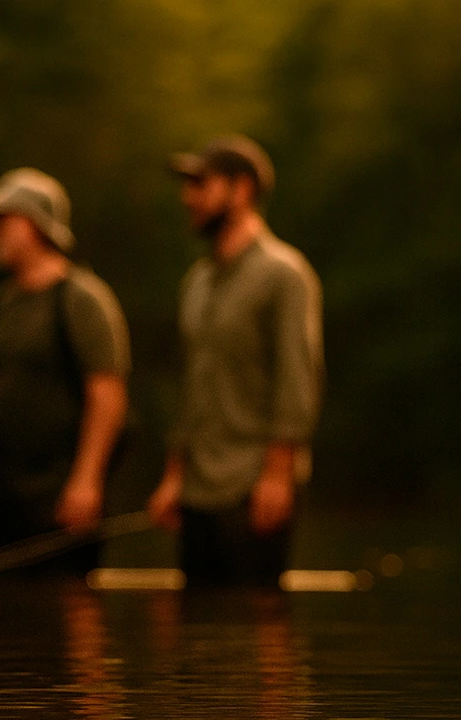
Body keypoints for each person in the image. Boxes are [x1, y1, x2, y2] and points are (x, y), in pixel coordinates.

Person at [147, 134, 324, 587]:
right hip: (198, 488)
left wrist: (278, 477)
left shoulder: (284, 274)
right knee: (196, 632)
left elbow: (297, 380)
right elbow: (192, 386)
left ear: (241, 189)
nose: (189, 198)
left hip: (253, 484)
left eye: (201, 185)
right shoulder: (198, 281)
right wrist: (173, 476)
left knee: (256, 627)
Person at [0, 168, 132, 575]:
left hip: (59, 499)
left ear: (34, 226)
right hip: (1, 500)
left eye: (2, 220)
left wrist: (87, 482)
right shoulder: (2, 303)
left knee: (66, 613)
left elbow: (107, 394)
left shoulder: (82, 300)